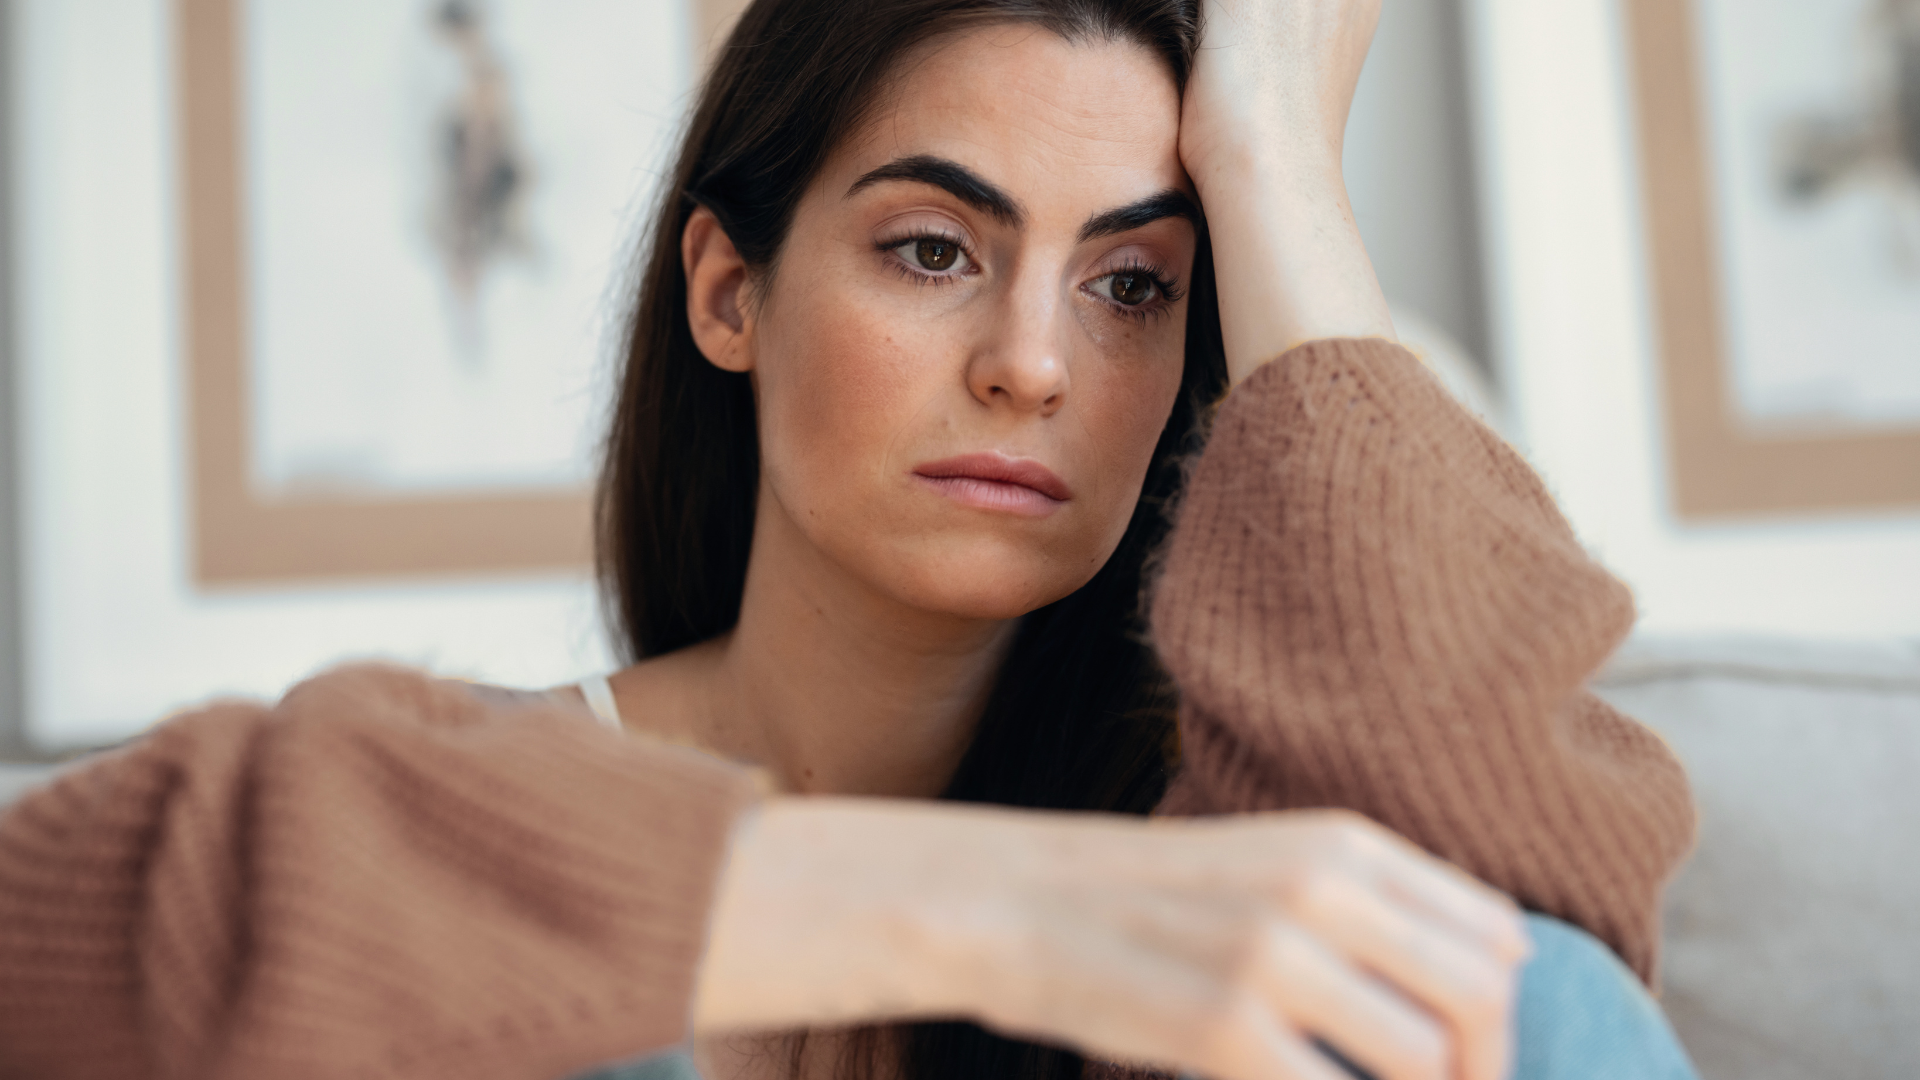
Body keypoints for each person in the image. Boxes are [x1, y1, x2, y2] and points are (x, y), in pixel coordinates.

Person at [0, 2, 1699, 1079]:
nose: (1032, 362)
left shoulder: (1220, 862)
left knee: (1505, 978)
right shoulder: (457, 827)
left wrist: (1279, 169)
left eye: (1134, 286)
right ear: (731, 292)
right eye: (934, 249)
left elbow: (1530, 965)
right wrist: (991, 911)